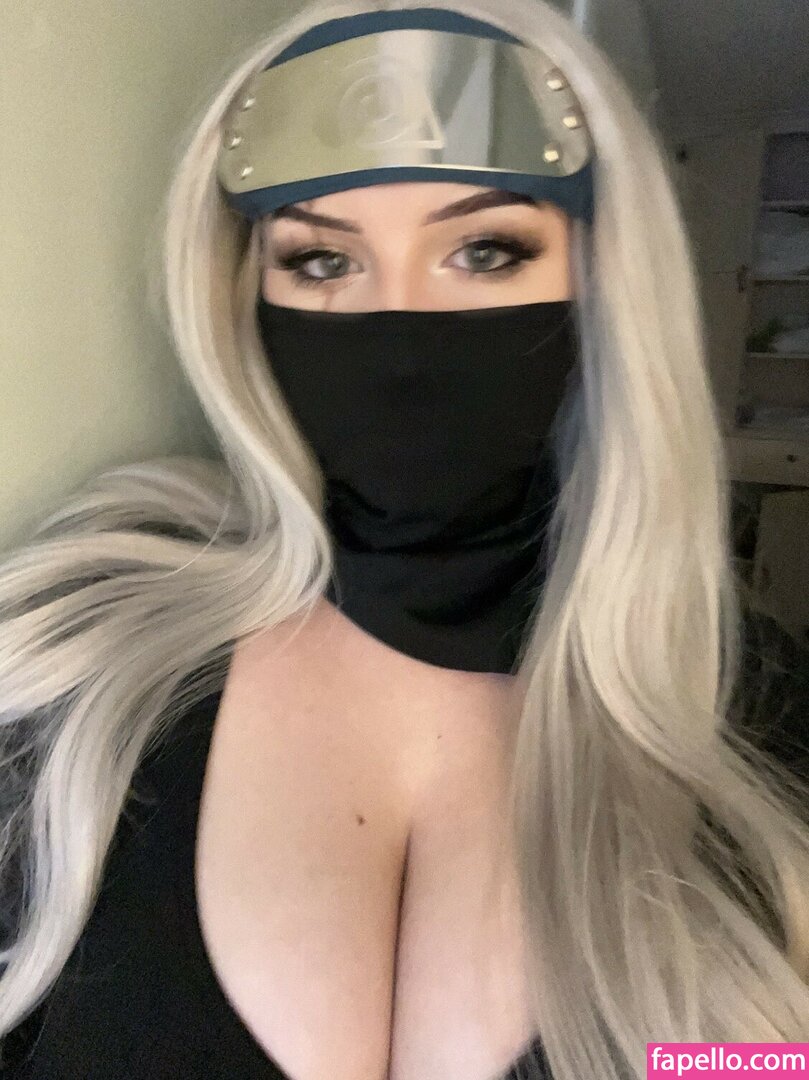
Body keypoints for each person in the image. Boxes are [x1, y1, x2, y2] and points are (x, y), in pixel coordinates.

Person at [1, 2, 808, 1078]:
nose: (399, 343)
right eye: (320, 263)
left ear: (604, 287)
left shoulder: (749, 711)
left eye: (483, 250)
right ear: (240, 297)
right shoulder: (82, 663)